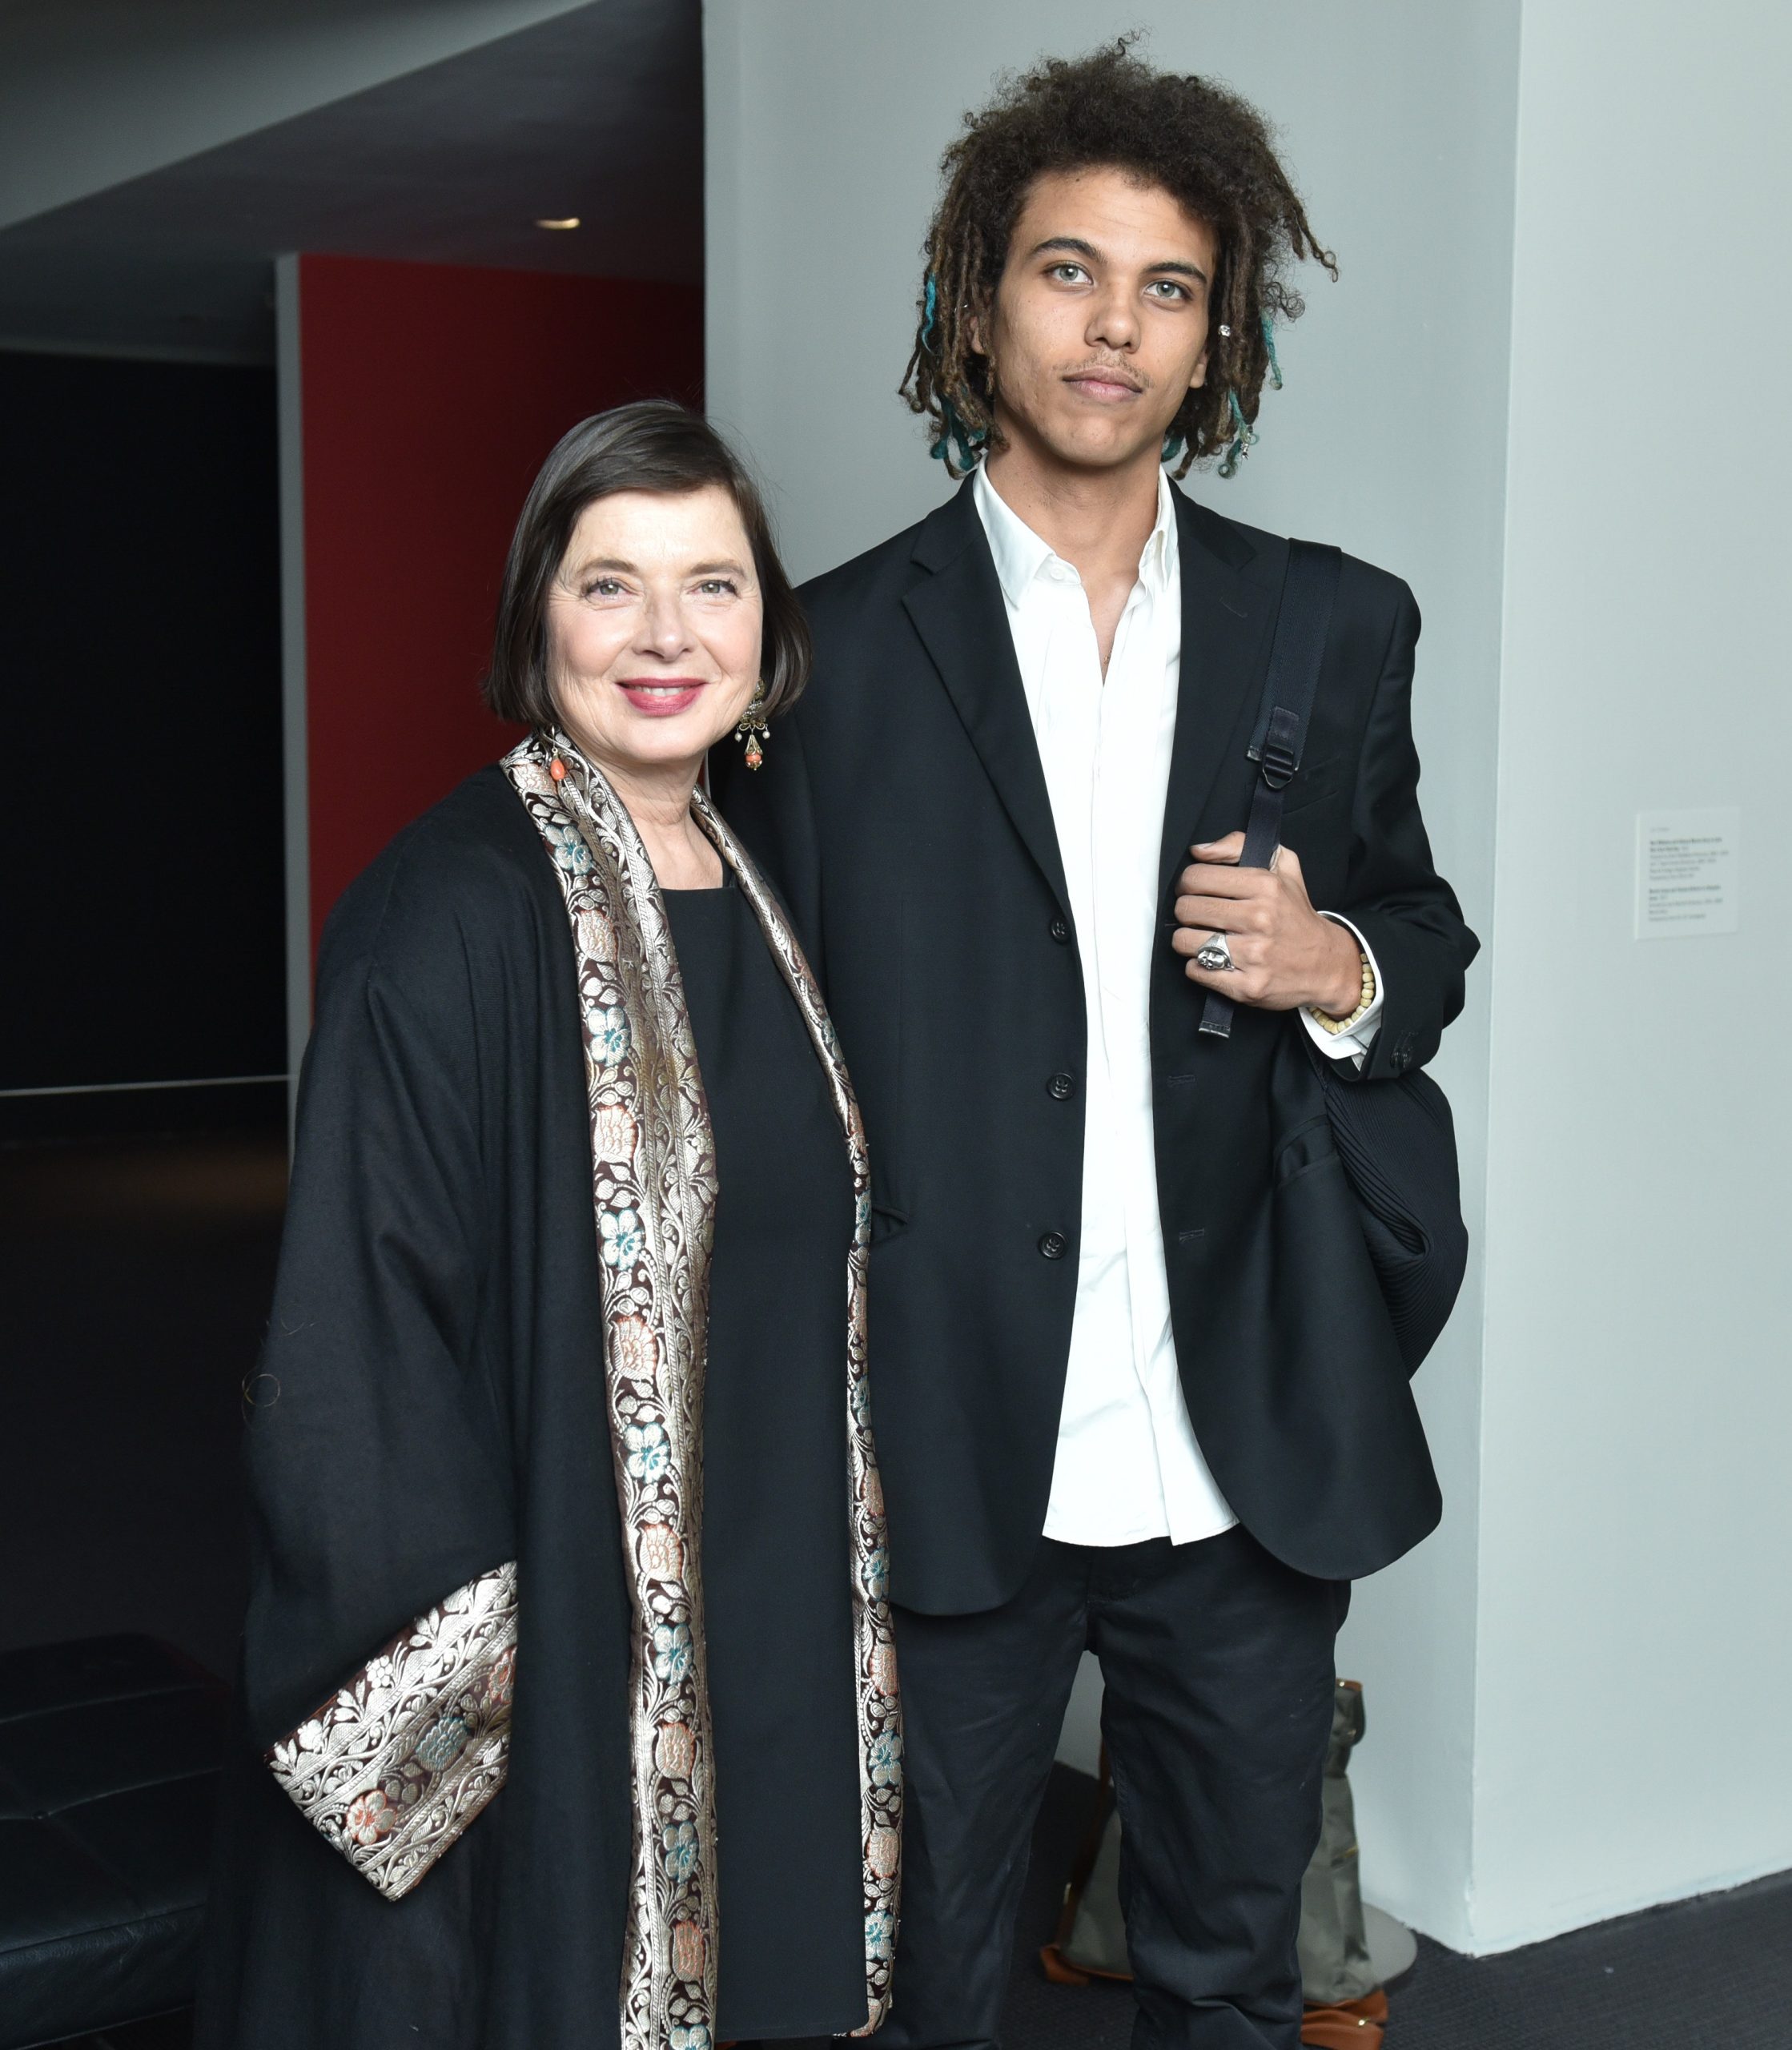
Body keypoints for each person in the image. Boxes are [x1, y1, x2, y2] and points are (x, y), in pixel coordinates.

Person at [710, 42, 1477, 2050]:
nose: (1113, 327)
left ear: (1217, 334)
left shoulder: (1333, 623)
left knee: (1233, 1963)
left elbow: (1424, 937)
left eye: (1165, 288)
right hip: (944, 1425)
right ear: (980, 303)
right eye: (1067, 272)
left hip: (1238, 1428)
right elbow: (747, 1048)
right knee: (914, 1970)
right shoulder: (821, 654)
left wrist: (1333, 959)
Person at [195, 403, 900, 2050]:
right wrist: (491, 1716)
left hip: (772, 1603)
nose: (667, 635)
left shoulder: (744, 872)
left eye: (713, 586)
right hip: (562, 1647)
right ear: (538, 618)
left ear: (768, 631)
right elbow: (354, 1356)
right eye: (612, 586)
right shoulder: (445, 912)